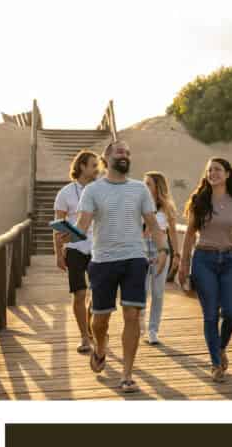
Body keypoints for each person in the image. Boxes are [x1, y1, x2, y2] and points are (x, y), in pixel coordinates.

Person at [72, 139, 168, 394]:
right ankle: (101, 348)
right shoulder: (93, 190)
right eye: (119, 151)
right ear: (107, 157)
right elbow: (82, 227)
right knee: (100, 319)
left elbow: (154, 225)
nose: (125, 155)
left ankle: (127, 375)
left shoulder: (139, 189)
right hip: (103, 260)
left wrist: (163, 249)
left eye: (128, 152)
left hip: (135, 259)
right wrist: (66, 236)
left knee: (132, 315)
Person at [178, 158, 232, 383]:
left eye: (217, 170)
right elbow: (190, 235)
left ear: (228, 174)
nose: (213, 173)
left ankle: (220, 347)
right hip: (204, 260)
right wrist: (183, 264)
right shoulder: (199, 200)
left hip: (228, 260)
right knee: (210, 315)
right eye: (209, 170)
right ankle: (216, 364)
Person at [53, 149, 100, 354]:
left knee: (98, 295)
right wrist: (58, 253)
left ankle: (91, 329)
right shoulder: (65, 193)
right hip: (74, 249)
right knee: (79, 293)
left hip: (98, 248)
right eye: (93, 165)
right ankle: (84, 337)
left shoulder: (100, 190)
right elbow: (59, 226)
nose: (97, 169)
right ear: (82, 166)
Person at [142, 171, 181, 345]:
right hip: (142, 250)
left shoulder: (167, 207)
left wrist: (177, 255)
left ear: (157, 187)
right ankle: (140, 326)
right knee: (142, 292)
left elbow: (172, 232)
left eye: (148, 183)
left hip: (161, 251)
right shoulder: (139, 204)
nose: (144, 186)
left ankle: (153, 330)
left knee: (158, 293)